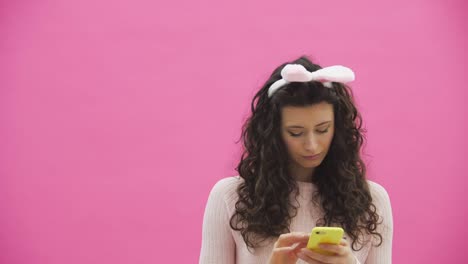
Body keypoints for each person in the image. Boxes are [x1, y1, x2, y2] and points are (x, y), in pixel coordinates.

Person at [199, 56, 393, 264]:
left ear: (338, 128)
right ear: (273, 134)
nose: (312, 145)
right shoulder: (231, 198)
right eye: (295, 132)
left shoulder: (372, 200)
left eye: (322, 129)